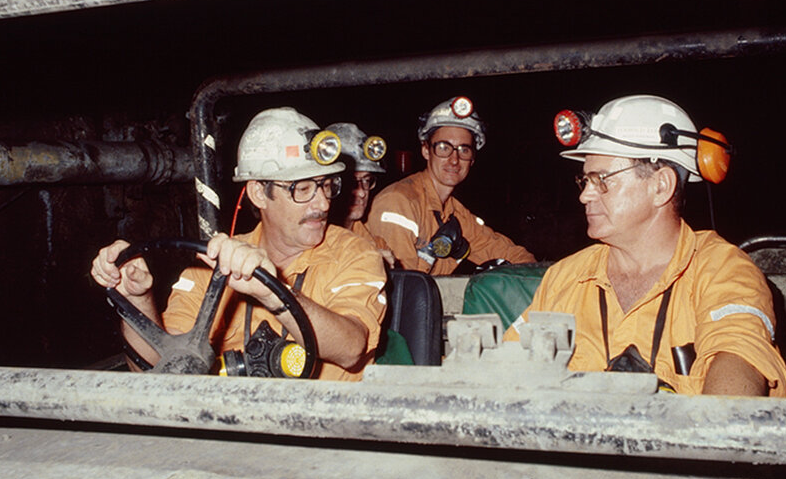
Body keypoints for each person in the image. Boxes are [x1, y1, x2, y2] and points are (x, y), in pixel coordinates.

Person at [506, 95, 786, 396]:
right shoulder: (564, 278)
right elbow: (508, 370)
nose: (585, 196)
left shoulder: (723, 271)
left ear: (661, 186)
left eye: (602, 179)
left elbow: (738, 361)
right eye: (585, 181)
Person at [91, 107, 387, 381]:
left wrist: (273, 292)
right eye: (303, 189)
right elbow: (156, 367)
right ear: (259, 193)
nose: (322, 203)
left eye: (325, 185)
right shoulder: (216, 262)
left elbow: (351, 348)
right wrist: (138, 299)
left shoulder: (355, 252)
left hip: (325, 424)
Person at [365, 96, 535, 274]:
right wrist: (431, 255)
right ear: (426, 150)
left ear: (473, 159)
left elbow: (512, 254)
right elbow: (403, 287)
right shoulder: (398, 202)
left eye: (464, 149)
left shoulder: (454, 213)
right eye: (444, 147)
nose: (454, 160)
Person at [327, 121, 396, 267]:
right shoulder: (310, 241)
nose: (362, 192)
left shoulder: (377, 244)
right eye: (352, 182)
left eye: (366, 180)